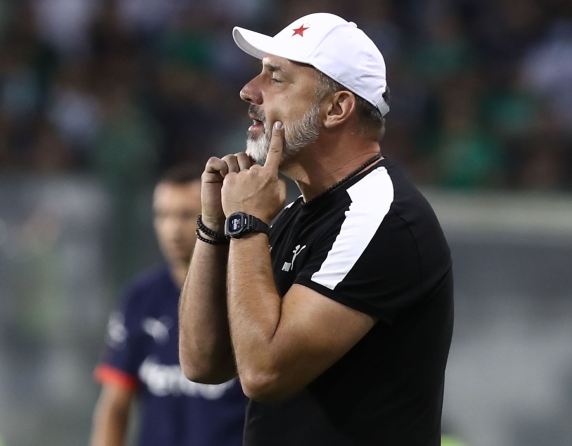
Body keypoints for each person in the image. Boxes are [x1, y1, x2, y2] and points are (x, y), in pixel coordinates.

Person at [178, 12, 453, 446]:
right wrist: (214, 227)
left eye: (276, 78)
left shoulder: (382, 217)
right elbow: (202, 363)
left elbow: (265, 373)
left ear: (336, 108)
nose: (249, 90)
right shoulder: (299, 212)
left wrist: (247, 224)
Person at [90, 165, 248, 446]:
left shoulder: (245, 294)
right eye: (162, 215)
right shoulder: (141, 297)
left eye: (186, 215)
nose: (172, 229)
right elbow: (114, 404)